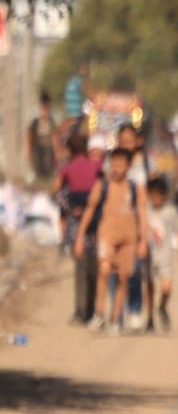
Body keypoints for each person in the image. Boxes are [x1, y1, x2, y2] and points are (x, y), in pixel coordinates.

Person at [76, 148, 147, 336]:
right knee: (105, 270)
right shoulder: (102, 186)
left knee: (123, 278)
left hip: (129, 238)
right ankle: (99, 314)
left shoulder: (135, 188)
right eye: (114, 164)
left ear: (129, 166)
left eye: (121, 165)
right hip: (106, 235)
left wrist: (143, 241)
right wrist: (80, 236)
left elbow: (142, 214)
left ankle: (115, 319)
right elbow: (90, 210)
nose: (117, 169)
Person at [54, 134, 102, 323]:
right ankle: (93, 310)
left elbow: (56, 188)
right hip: (96, 222)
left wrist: (71, 209)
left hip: (76, 225)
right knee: (95, 271)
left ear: (70, 150)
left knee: (81, 271)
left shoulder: (68, 168)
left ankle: (81, 312)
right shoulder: (96, 166)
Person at [143, 177, 178, 331]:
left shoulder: (171, 211)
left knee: (166, 287)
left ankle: (162, 307)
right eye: (153, 195)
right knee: (150, 287)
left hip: (165, 256)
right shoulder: (145, 210)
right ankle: (150, 317)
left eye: (160, 195)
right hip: (149, 255)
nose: (157, 199)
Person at [26, 92, 59, 182]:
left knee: (48, 168)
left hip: (48, 148)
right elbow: (29, 136)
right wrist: (28, 150)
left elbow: (54, 136)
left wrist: (57, 152)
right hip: (37, 148)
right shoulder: (35, 122)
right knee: (38, 169)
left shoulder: (51, 122)